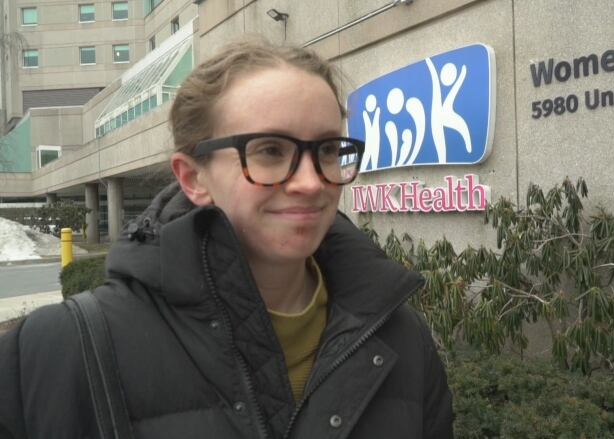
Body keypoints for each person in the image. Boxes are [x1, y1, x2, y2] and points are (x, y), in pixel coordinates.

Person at [0, 40, 453, 439]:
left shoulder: (399, 337)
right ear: (194, 177)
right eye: (271, 151)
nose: (312, 182)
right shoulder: (55, 353)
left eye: (329, 150)